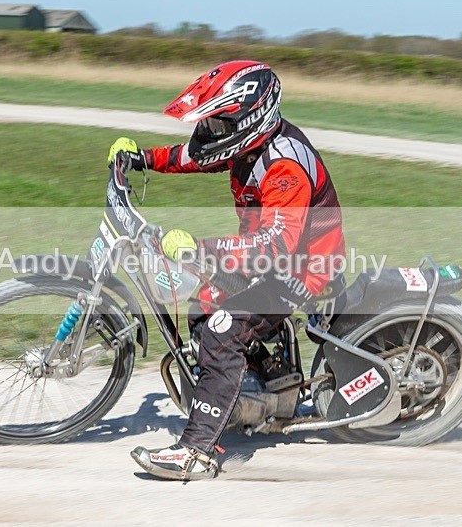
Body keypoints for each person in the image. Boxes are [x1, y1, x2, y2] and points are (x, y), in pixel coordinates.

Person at [107, 60, 345, 480]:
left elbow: (275, 246)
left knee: (220, 330)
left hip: (300, 270)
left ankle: (197, 453)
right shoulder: (248, 145)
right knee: (202, 301)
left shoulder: (283, 167)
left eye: (218, 123)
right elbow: (196, 156)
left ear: (249, 118)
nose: (210, 132)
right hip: (274, 258)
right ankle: (248, 388)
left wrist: (200, 250)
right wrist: (142, 158)